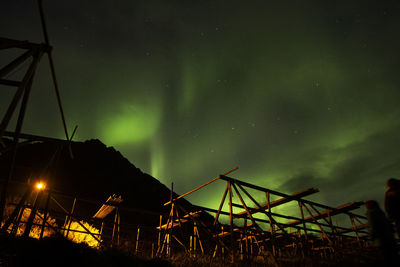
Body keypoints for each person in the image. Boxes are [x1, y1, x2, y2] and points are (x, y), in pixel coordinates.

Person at [366, 200, 398, 265]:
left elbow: (372, 227)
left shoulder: (371, 213)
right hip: (390, 239)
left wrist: (370, 238)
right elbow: (390, 226)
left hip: (380, 241)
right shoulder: (381, 213)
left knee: (386, 258)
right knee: (393, 258)